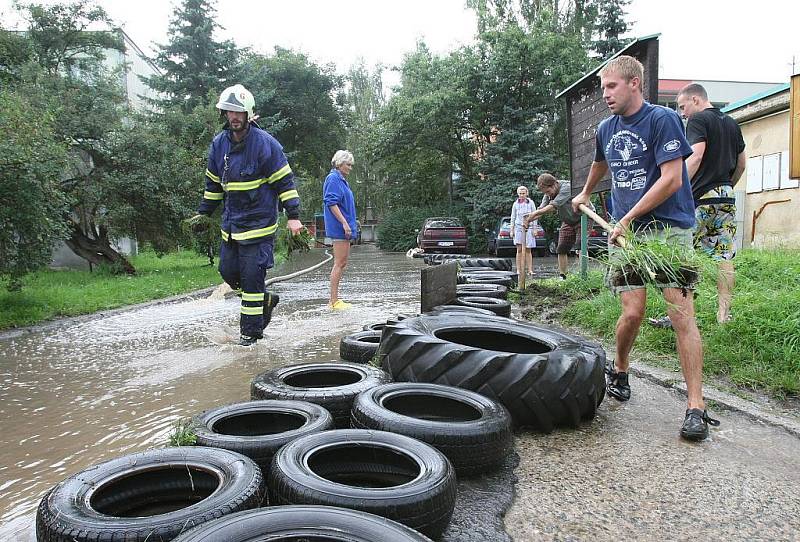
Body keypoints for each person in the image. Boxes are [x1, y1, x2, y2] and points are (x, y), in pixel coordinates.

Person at [571, 55, 720, 441]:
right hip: (626, 234)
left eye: (612, 86)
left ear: (634, 83)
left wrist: (628, 217)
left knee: (680, 314)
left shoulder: (662, 120)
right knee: (632, 312)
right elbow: (601, 163)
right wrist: (586, 191)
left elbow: (672, 179)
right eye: (603, 87)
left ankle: (696, 407)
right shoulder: (606, 127)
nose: (605, 94)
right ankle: (620, 370)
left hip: (667, 229)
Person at [195, 84, 302, 346]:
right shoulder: (219, 145)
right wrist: (202, 215)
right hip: (231, 226)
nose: (234, 117)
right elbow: (213, 185)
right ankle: (264, 300)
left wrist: (293, 215)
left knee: (252, 280)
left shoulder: (266, 145)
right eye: (229, 112)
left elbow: (284, 182)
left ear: (248, 114)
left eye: (238, 112)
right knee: (228, 272)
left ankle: (250, 337)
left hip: (258, 226)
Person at [649, 83, 746, 328]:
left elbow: (697, 155)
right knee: (723, 255)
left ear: (696, 100)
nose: (682, 113)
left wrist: (677, 187)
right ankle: (724, 315)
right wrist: (724, 187)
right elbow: (742, 164)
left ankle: (678, 315)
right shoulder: (732, 123)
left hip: (700, 197)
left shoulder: (699, 120)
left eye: (683, 106)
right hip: (725, 195)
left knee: (682, 255)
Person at [524, 173, 592, 280]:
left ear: (554, 184)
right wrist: (529, 219)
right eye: (545, 193)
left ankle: (583, 275)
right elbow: (541, 209)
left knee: (580, 246)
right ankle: (563, 276)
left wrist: (534, 215)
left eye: (548, 191)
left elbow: (553, 206)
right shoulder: (548, 194)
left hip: (583, 217)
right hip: (568, 220)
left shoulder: (567, 187)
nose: (547, 194)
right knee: (561, 248)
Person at [323, 150, 358, 310]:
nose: (350, 167)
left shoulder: (342, 180)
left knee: (342, 263)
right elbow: (331, 203)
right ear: (339, 163)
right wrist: (344, 223)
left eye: (351, 165)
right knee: (339, 263)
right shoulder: (333, 179)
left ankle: (335, 300)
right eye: (348, 164)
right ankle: (333, 301)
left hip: (345, 227)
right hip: (339, 228)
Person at [510, 185, 536, 278]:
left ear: (526, 193)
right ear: (518, 194)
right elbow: (513, 217)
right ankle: (519, 269)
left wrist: (534, 228)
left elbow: (534, 215)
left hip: (528, 228)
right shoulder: (515, 204)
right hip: (518, 227)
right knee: (519, 249)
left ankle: (530, 270)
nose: (522, 195)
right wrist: (511, 230)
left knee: (528, 249)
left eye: (523, 193)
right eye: (520, 193)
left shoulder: (531, 203)